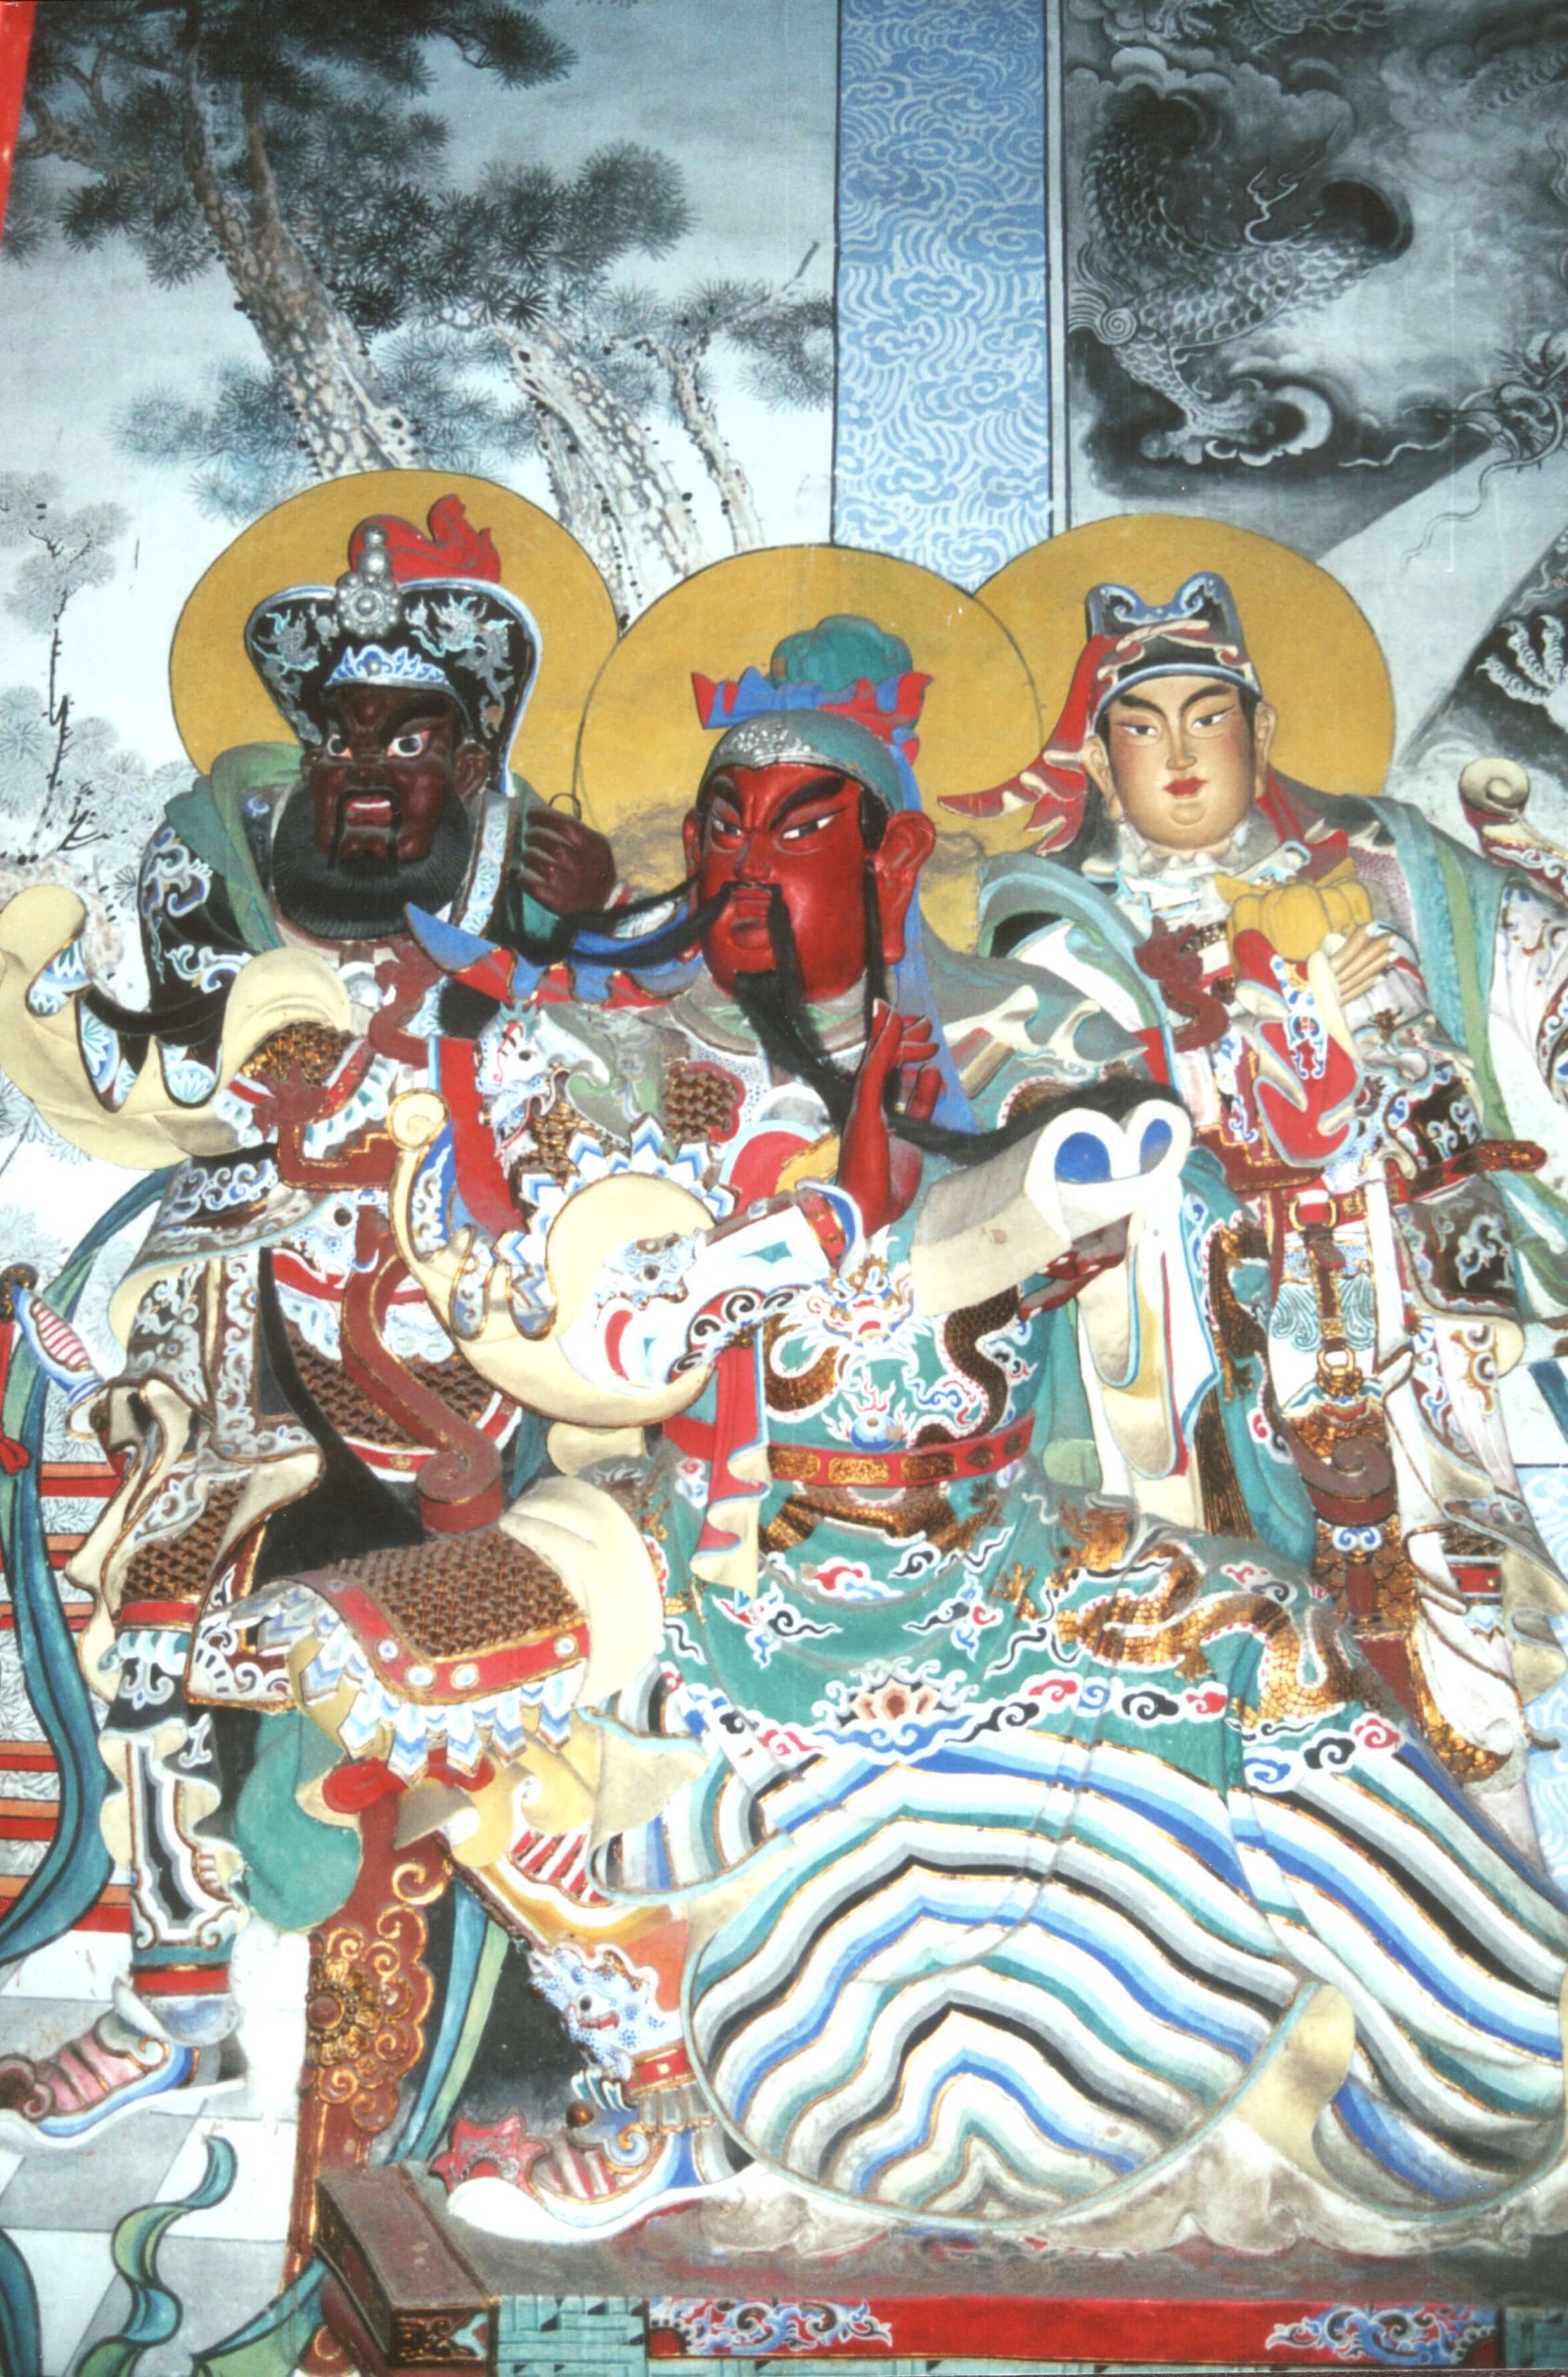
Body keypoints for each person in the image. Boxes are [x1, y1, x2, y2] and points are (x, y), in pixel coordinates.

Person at [362, 612, 1568, 2255]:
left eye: (797, 826)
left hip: (1001, 1547)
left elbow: (1160, 1231)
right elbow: (551, 1314)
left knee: (1261, 1640)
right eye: (721, 826)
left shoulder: (1029, 1032)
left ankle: (1469, 2059)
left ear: (895, 854)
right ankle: (655, 2089)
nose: (745, 866)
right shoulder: (615, 1050)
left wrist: (1183, 1184)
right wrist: (717, 1274)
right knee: (458, 1660)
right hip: (711, 1541)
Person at [0, 493, 616, 2139]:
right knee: (157, 1642)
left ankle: (564, 2014)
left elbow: (606, 1106)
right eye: (342, 734)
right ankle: (176, 2004)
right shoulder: (224, 866)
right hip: (241, 1334)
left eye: (409, 739)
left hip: (467, 1356)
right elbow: (176, 1080)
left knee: (492, 1663)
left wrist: (596, 930)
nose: (366, 771)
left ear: (470, 762)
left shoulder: (538, 901)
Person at [969, 569, 1568, 1859]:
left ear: (1263, 727)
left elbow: (1518, 981)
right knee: (1216, 1600)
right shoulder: (1055, 927)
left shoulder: (1380, 866)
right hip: (1185, 1318)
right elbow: (1034, 1121)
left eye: (1209, 718)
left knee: (1443, 1592)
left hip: (1388, 1288)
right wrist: (1255, 1040)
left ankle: (1501, 1879)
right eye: (1143, 728)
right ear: (1098, 759)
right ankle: (1241, 1874)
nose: (1182, 756)